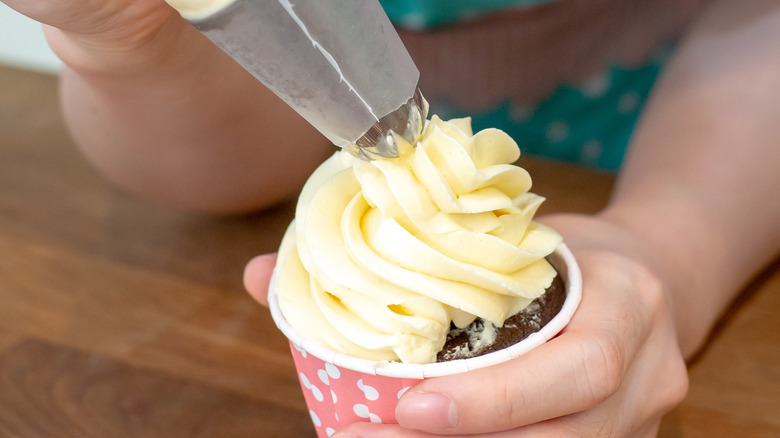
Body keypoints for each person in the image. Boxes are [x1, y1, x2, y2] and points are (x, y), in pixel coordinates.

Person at [4, 0, 779, 436]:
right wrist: (129, 39)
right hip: (322, 161)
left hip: (716, 147)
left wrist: (673, 244)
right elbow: (220, 164)